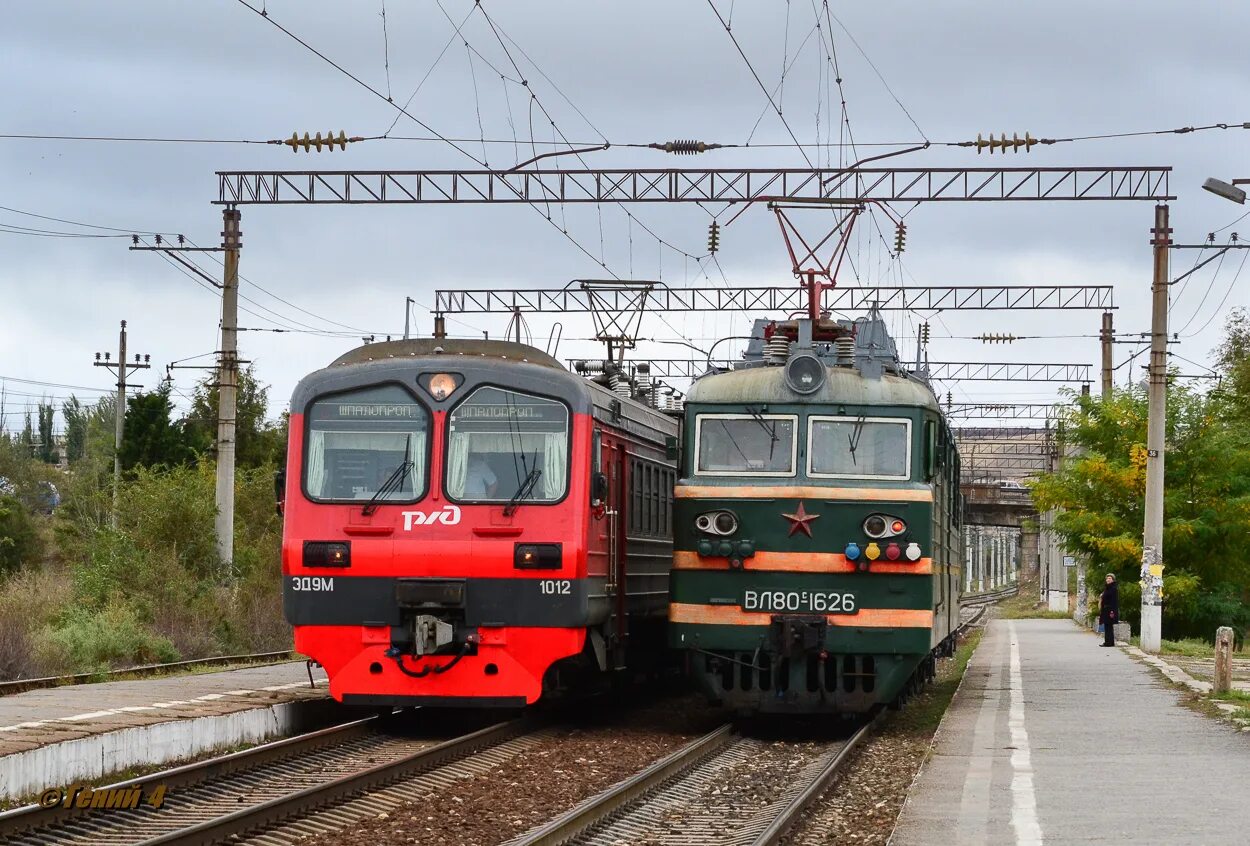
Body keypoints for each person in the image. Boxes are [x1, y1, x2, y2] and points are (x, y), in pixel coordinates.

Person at [1099, 573, 1119, 647]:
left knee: (1108, 626)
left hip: (1110, 610)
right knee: (1107, 626)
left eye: (1110, 578)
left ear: (1113, 580)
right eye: (1107, 578)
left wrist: (1112, 611)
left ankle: (1108, 643)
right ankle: (1109, 642)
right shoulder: (1107, 588)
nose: (1108, 580)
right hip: (1106, 609)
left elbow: (1114, 601)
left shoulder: (1113, 588)